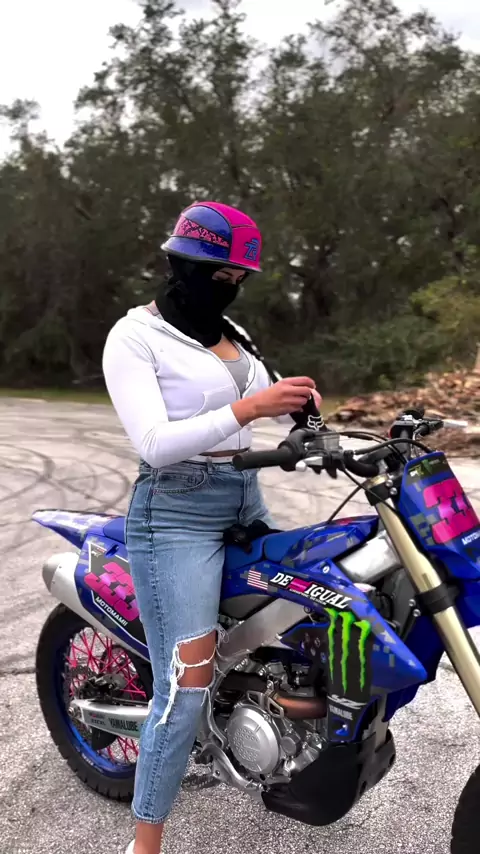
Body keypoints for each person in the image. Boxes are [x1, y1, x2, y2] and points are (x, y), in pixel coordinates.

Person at [102, 201, 322, 854]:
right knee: (185, 686)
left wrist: (304, 412)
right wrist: (250, 408)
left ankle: (284, 747)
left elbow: (270, 399)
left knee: (312, 610)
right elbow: (154, 442)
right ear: (182, 264)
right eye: (221, 274)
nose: (231, 285)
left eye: (240, 277)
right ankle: (145, 842)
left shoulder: (234, 332)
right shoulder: (134, 337)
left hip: (244, 494)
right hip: (176, 514)